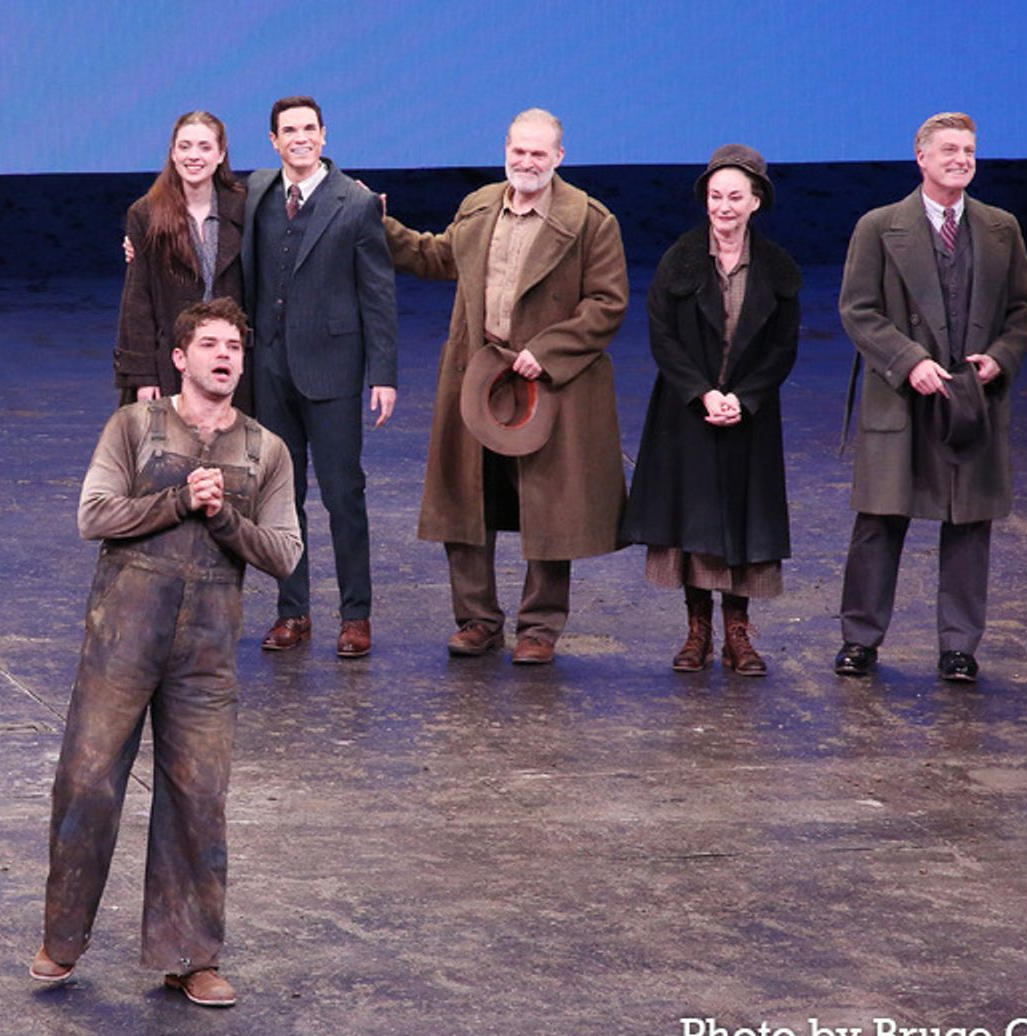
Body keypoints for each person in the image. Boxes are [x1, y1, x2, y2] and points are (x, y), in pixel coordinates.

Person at [31, 298, 302, 1006]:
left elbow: (285, 553)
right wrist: (177, 501)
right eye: (209, 344)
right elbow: (93, 515)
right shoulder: (133, 427)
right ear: (180, 358)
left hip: (205, 653)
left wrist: (225, 517)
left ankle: (192, 956)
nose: (224, 355)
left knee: (198, 798)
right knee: (87, 782)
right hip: (123, 637)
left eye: (234, 347)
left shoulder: (264, 450)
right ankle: (62, 940)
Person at [384, 108, 629, 665]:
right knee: (466, 498)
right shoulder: (478, 207)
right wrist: (377, 226)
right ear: (506, 150)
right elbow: (438, 256)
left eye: (538, 154)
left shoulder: (590, 221)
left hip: (544, 380)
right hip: (478, 373)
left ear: (559, 158)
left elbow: (608, 303)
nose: (526, 162)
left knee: (549, 505)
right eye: (518, 151)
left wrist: (544, 353)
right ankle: (477, 620)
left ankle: (539, 628)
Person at [834, 113, 1027, 683]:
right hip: (902, 397)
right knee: (880, 521)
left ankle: (959, 647)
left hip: (971, 398)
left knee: (969, 523)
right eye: (949, 149)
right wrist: (909, 360)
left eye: (969, 150)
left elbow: (1024, 308)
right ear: (920, 157)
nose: (961, 159)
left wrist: (1001, 356)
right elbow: (858, 309)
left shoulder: (1000, 228)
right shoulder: (879, 226)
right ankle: (860, 639)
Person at [620, 144, 802, 675]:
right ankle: (697, 630)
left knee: (742, 522)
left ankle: (737, 635)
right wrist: (703, 393)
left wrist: (742, 400)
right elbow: (663, 337)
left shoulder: (776, 270)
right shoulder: (678, 261)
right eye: (716, 196)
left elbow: (782, 348)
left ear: (756, 203)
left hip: (750, 416)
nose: (724, 206)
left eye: (735, 197)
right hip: (687, 412)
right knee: (693, 521)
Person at [243, 96, 399, 658]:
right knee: (282, 495)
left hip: (333, 369)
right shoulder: (258, 192)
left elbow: (377, 292)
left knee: (342, 494)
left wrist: (383, 373)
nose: (300, 138)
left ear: (325, 136)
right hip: (271, 369)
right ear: (273, 140)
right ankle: (293, 610)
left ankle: (356, 615)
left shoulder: (355, 203)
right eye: (289, 130)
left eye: (310, 129)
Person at [115, 111, 250, 412]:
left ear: (221, 155)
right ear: (173, 154)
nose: (194, 156)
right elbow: (138, 301)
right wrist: (143, 375)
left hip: (234, 366)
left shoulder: (246, 207)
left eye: (204, 147)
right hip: (172, 366)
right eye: (185, 146)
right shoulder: (146, 214)